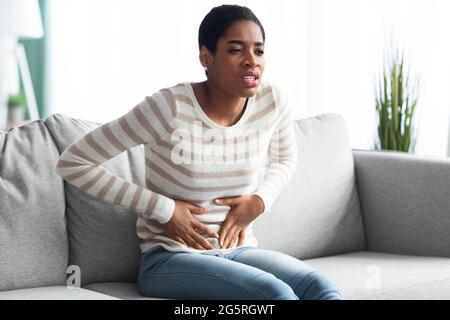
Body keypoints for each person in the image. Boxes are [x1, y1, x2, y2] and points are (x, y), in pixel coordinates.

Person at [56, 4, 343, 300]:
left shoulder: (272, 101)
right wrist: (162, 208)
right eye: (235, 50)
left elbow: (284, 159)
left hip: (239, 251)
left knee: (319, 286)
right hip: (169, 259)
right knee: (275, 293)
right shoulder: (168, 107)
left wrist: (260, 200)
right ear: (206, 56)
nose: (251, 62)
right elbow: (74, 162)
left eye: (258, 51)